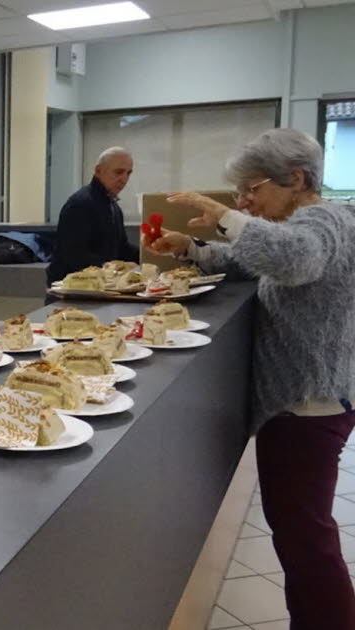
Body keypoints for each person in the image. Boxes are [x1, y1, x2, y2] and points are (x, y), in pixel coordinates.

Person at [146, 128, 355, 629]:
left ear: (296, 179)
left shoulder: (323, 219)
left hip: (309, 405)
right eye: (239, 194)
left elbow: (294, 259)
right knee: (298, 533)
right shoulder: (300, 220)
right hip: (302, 404)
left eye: (251, 190)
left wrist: (225, 216)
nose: (245, 201)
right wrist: (193, 246)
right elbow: (251, 261)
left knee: (306, 539)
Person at [46, 146, 139, 285]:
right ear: (98, 171)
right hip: (72, 289)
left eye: (128, 173)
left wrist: (150, 256)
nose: (124, 179)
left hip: (97, 286)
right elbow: (74, 255)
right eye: (118, 172)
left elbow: (121, 248)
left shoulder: (113, 206)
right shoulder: (81, 203)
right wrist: (114, 269)